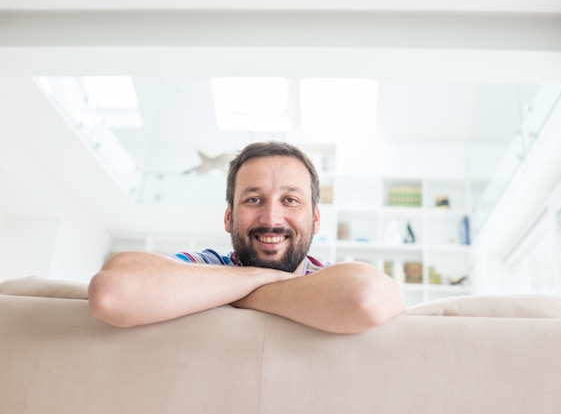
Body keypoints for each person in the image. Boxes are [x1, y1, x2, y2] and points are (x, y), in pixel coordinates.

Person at [88, 141, 404, 333]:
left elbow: (366, 298)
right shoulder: (208, 267)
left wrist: (237, 292)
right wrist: (259, 279)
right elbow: (112, 291)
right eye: (254, 199)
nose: (271, 218)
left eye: (290, 200)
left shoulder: (329, 278)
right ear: (229, 216)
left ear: (316, 219)